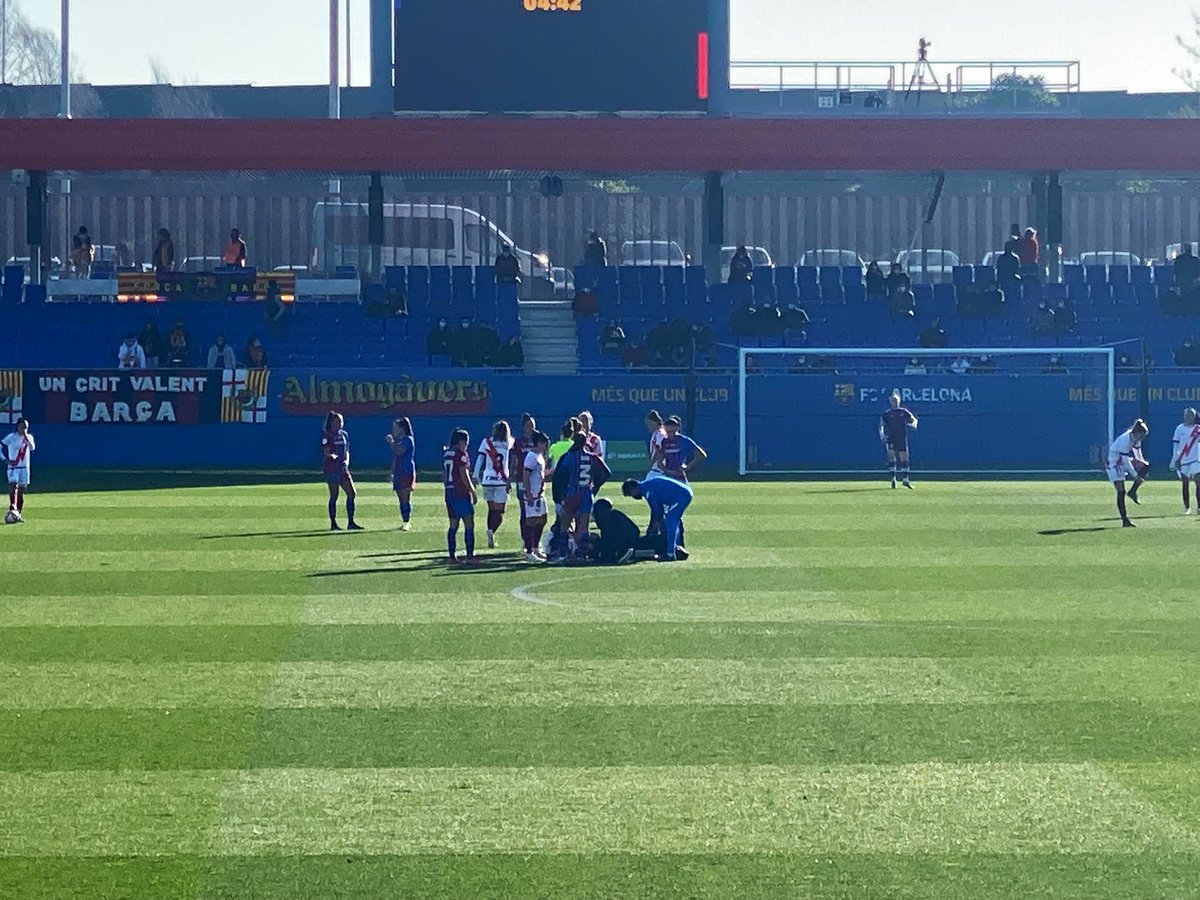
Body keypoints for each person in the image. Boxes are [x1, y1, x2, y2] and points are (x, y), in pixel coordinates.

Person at [622, 476, 693, 562]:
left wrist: (651, 529)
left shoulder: (647, 490)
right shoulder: (647, 486)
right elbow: (658, 511)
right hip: (682, 494)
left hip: (681, 495)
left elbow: (656, 511)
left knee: (671, 521)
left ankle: (670, 554)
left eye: (631, 494)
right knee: (672, 521)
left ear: (634, 488)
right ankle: (675, 548)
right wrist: (653, 527)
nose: (634, 496)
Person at [473, 420, 515, 549]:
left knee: (491, 510)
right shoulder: (510, 442)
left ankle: (490, 531)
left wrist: (475, 475)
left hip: (487, 479)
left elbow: (480, 459)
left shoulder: (487, 442)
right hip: (502, 480)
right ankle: (491, 531)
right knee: (500, 511)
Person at [321, 411, 362, 531]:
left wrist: (346, 461)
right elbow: (326, 450)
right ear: (332, 422)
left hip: (343, 468)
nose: (340, 423)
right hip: (332, 468)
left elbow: (347, 450)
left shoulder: (344, 434)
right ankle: (333, 523)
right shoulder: (327, 435)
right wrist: (332, 455)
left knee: (352, 493)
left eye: (341, 421)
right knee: (334, 495)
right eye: (338, 421)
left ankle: (351, 522)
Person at [443, 428, 479, 563]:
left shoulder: (447, 453)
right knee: (469, 523)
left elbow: (445, 474)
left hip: (449, 491)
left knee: (453, 524)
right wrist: (472, 491)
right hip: (460, 492)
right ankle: (470, 556)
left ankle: (452, 556)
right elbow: (463, 473)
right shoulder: (460, 453)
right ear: (461, 442)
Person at [1108, 419, 1150, 528]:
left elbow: (1137, 452)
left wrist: (1141, 463)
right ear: (1136, 433)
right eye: (1142, 435)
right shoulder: (1125, 440)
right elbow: (1125, 460)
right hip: (1114, 463)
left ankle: (1133, 491)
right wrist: (1136, 475)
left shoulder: (1136, 439)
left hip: (1123, 461)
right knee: (1121, 491)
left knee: (1146, 466)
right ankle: (1125, 520)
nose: (1143, 438)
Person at [879, 390, 918, 489]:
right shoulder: (887, 413)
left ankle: (905, 480)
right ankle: (893, 479)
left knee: (904, 458)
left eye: (896, 400)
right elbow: (881, 425)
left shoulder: (903, 412)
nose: (894, 402)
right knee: (891, 457)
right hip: (891, 438)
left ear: (899, 401)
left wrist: (913, 424)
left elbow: (914, 420)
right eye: (893, 401)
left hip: (901, 438)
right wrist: (882, 434)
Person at [521, 430, 550, 562]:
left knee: (542, 519)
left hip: (540, 494)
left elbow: (541, 473)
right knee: (531, 522)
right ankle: (529, 551)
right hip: (532, 494)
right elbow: (526, 475)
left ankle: (535, 548)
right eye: (544, 444)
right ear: (539, 443)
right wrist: (528, 493)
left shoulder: (539, 456)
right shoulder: (531, 457)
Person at [2, 418, 35, 523]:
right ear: (17, 427)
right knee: (13, 485)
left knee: (21, 491)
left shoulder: (29, 437)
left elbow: (32, 447)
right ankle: (12, 507)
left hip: (24, 468)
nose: (24, 429)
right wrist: (5, 460)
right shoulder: (11, 437)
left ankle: (18, 514)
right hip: (13, 467)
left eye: (26, 427)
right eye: (22, 427)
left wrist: (25, 436)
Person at [654, 415, 706, 483]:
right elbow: (659, 462)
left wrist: (688, 466)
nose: (670, 434)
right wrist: (668, 471)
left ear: (677, 428)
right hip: (668, 476)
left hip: (680, 475)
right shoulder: (665, 442)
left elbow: (701, 455)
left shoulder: (684, 440)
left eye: (671, 431)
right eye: (667, 432)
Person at [386, 417, 416, 530]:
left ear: (402, 429)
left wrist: (391, 443)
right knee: (400, 497)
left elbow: (399, 451)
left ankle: (407, 521)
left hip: (406, 471)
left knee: (405, 497)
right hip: (399, 472)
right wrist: (392, 472)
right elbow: (396, 458)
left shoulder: (408, 440)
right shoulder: (399, 441)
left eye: (395, 428)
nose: (393, 430)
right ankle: (405, 519)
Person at [1172, 408, 1198, 515]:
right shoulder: (1179, 428)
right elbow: (1176, 445)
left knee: (1198, 482)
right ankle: (1187, 507)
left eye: (1191, 415)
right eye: (1187, 415)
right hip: (1183, 460)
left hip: (1196, 459)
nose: (1188, 417)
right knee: (1185, 484)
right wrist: (1176, 459)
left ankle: (1199, 507)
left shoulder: (1198, 429)